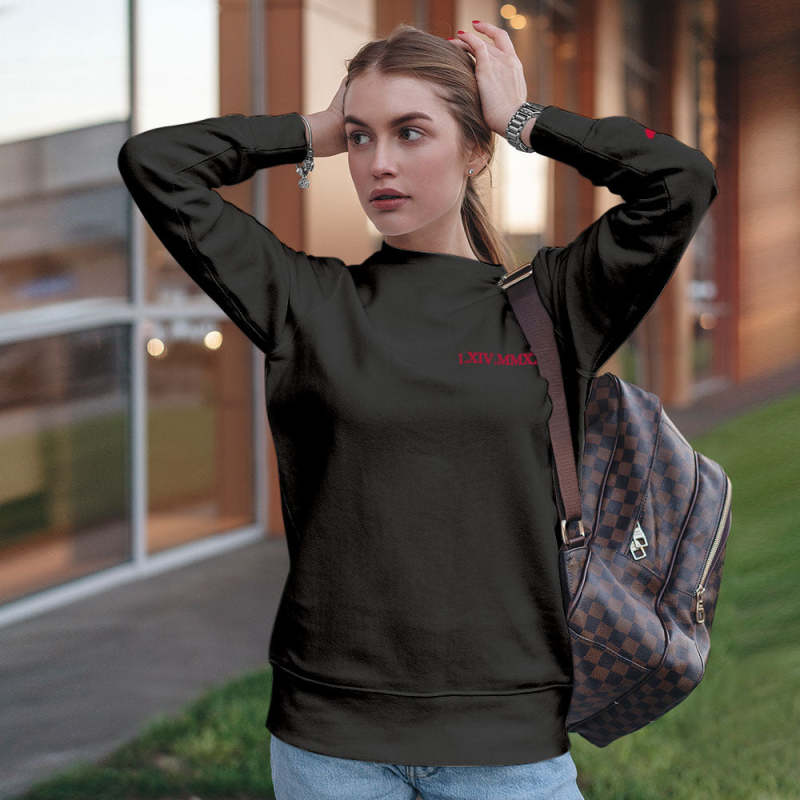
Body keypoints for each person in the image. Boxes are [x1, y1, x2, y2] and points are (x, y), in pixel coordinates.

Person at [117, 20, 718, 800]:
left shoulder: (554, 304)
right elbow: (156, 162)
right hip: (331, 746)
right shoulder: (308, 303)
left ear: (475, 151)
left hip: (507, 746)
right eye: (361, 137)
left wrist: (524, 120)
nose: (379, 163)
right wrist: (312, 130)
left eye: (410, 132)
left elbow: (679, 177)